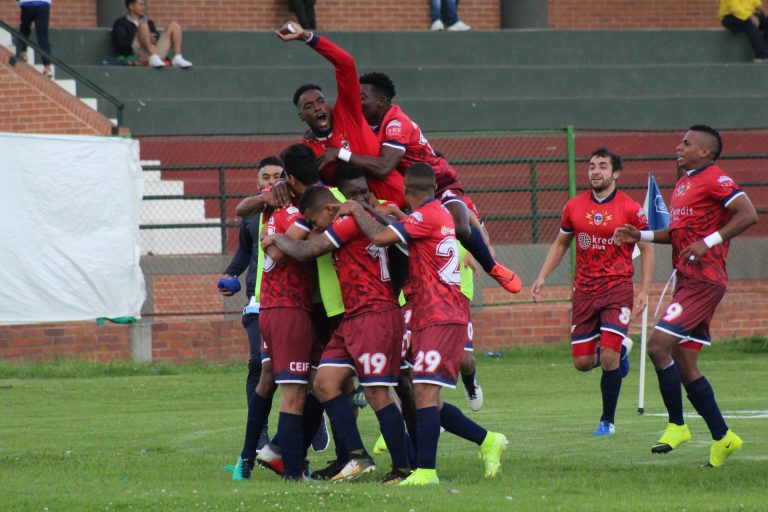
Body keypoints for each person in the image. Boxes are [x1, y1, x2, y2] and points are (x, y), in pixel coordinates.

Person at [338, 163, 508, 486]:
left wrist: (356, 208)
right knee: (430, 397)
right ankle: (488, 441)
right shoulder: (437, 212)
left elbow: (378, 236)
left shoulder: (428, 215)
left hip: (439, 315)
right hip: (429, 314)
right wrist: (392, 215)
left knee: (424, 392)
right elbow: (408, 233)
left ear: (406, 191)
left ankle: (426, 472)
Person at [614, 125, 757, 467]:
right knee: (686, 364)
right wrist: (642, 234)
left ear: (705, 152)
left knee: (657, 345)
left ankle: (677, 425)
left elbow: (748, 214)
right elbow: (679, 235)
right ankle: (724, 438)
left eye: (687, 143)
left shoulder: (715, 179)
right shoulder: (684, 184)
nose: (678, 146)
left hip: (704, 281)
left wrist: (708, 242)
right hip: (688, 281)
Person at [263, 185, 413, 484]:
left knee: (376, 393)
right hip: (353, 318)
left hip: (374, 316)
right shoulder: (353, 218)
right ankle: (358, 456)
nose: (315, 228)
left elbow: (305, 251)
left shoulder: (348, 222)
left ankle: (403, 468)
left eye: (315, 221)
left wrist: (275, 238)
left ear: (330, 209)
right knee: (323, 383)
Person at [336, 70, 521, 294]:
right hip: (413, 193)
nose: (358, 102)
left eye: (363, 97)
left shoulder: (396, 122)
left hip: (440, 183)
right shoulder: (368, 127)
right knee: (408, 236)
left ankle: (493, 268)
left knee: (460, 227)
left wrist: (340, 154)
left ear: (382, 101)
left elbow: (384, 167)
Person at [531, 148, 653, 436]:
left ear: (616, 173)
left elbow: (647, 248)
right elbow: (562, 243)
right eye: (591, 166)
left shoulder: (631, 208)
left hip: (618, 288)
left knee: (608, 357)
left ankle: (607, 421)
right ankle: (622, 351)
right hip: (584, 292)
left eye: (602, 166)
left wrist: (645, 290)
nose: (595, 171)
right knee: (583, 363)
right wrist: (542, 276)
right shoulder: (573, 206)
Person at [275, 22, 407, 209]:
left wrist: (307, 37)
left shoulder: (348, 114)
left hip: (400, 207)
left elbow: (345, 63)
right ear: (302, 116)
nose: (317, 108)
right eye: (309, 106)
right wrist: (279, 183)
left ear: (328, 105)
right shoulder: (308, 150)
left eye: (321, 102)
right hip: (357, 221)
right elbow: (293, 176)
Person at [220, 156, 282, 480]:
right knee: (259, 364)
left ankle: (307, 432)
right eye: (266, 176)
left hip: (288, 304)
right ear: (258, 182)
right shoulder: (250, 215)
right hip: (257, 303)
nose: (271, 180)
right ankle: (259, 439)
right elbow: (246, 251)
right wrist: (230, 274)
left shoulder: (293, 213)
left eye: (277, 175)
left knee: (297, 372)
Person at [112, 0, 192, 68]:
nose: (143, 7)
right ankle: (152, 57)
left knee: (174, 25)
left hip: (155, 52)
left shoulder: (149, 22)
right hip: (136, 54)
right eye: (140, 5)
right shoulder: (121, 23)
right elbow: (121, 44)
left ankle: (177, 57)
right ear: (131, 7)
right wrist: (142, 37)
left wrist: (153, 38)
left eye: (144, 5)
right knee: (143, 25)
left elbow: (156, 36)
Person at [17, 0, 53, 77]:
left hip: (26, 4)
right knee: (42, 36)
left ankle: (23, 52)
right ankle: (47, 67)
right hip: (43, 4)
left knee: (24, 30)